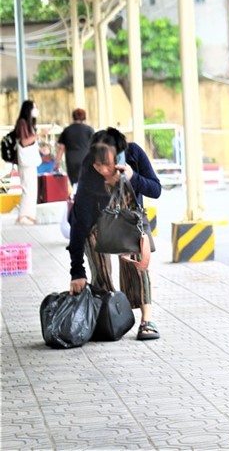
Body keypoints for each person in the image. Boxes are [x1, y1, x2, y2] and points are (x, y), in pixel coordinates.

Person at [68, 128, 163, 341]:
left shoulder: (134, 154)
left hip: (130, 222)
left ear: (119, 156)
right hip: (99, 223)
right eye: (97, 164)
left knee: (138, 268)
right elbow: (80, 218)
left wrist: (132, 177)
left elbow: (156, 190)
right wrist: (76, 271)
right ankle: (107, 314)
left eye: (106, 164)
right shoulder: (89, 168)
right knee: (99, 270)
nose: (101, 169)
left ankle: (146, 320)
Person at [13, 100, 41, 225]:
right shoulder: (23, 123)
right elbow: (24, 142)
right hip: (26, 161)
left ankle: (29, 215)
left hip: (30, 161)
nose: (36, 110)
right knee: (27, 188)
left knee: (32, 188)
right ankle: (24, 216)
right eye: (34, 107)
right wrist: (39, 135)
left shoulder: (28, 124)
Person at [55, 108, 95, 187]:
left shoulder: (67, 130)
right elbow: (94, 146)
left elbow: (61, 148)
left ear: (73, 117)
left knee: (74, 182)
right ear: (84, 117)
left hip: (71, 160)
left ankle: (76, 196)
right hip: (85, 158)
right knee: (86, 182)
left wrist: (57, 163)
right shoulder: (89, 130)